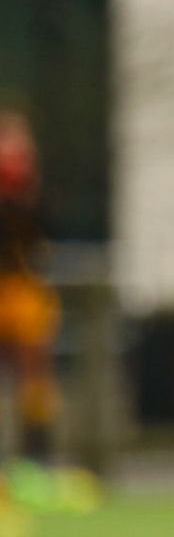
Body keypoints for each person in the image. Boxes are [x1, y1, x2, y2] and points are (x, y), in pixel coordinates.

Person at [0, 107, 58, 464]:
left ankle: (38, 462)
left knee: (35, 376)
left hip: (23, 287)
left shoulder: (31, 188)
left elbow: (41, 230)